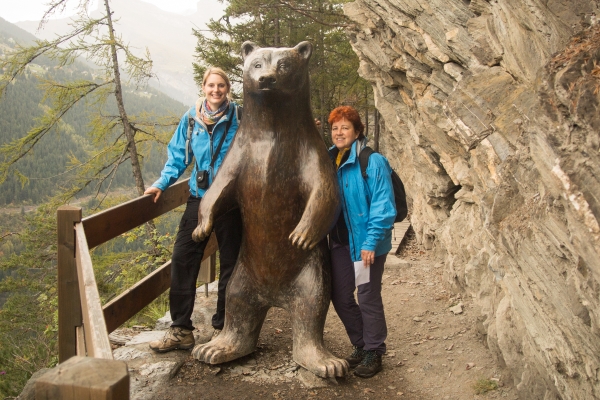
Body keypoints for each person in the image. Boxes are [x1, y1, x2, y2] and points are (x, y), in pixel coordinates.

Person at [146, 67, 242, 353]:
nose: (216, 90)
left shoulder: (241, 117)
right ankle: (180, 330)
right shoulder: (191, 120)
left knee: (232, 263)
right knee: (183, 258)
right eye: (211, 85)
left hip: (230, 200)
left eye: (221, 85)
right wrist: (162, 183)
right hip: (199, 198)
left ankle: (226, 326)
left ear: (227, 89)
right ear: (204, 88)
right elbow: (178, 157)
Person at [327, 105, 396, 378]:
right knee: (340, 295)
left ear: (357, 131)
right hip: (341, 244)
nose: (339, 132)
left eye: (345, 127)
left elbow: (383, 206)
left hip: (367, 244)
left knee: (366, 296)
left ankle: (374, 351)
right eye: (335, 128)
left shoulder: (371, 160)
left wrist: (370, 242)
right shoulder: (331, 159)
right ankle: (361, 344)